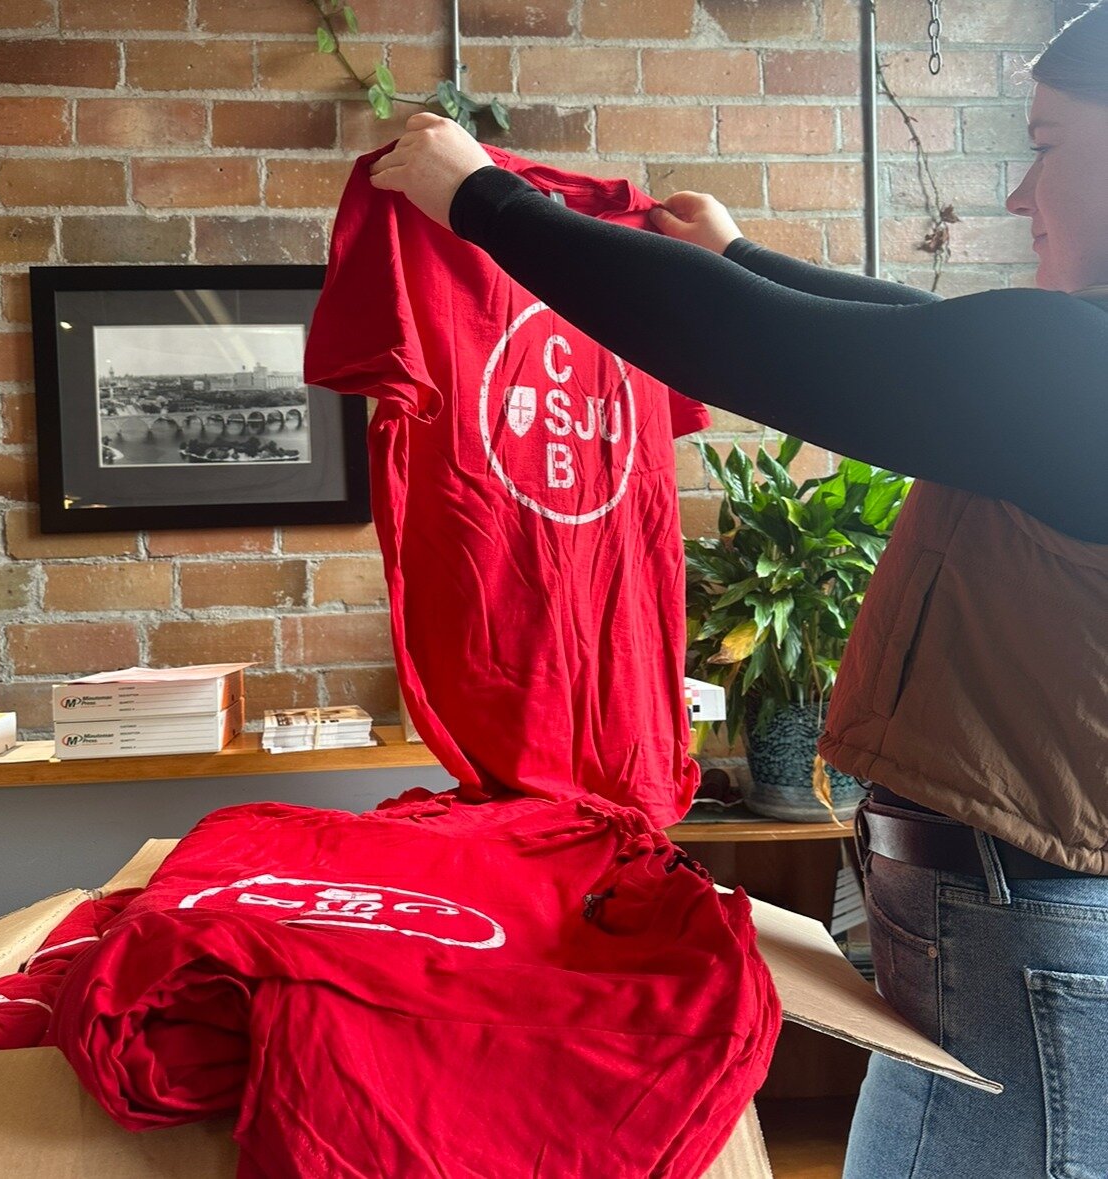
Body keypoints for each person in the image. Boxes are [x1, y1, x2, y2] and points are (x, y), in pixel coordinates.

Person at [367, 5, 1108, 1177]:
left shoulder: (1080, 369)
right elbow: (937, 343)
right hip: (1009, 909)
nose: (1018, 195)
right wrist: (739, 256)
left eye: (1048, 147)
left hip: (1030, 918)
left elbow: (775, 350)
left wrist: (482, 203)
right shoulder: (1068, 358)